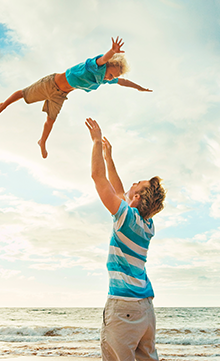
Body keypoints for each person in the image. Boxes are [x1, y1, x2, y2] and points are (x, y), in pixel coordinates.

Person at [85, 117, 166, 361]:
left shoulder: (125, 218)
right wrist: (110, 158)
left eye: (137, 184)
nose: (132, 184)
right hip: (145, 310)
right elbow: (119, 191)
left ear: (139, 198)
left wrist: (97, 143)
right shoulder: (147, 225)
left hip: (124, 309)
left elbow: (98, 179)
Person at [0, 37, 152, 159]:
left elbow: (122, 82)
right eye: (111, 74)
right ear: (108, 65)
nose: (110, 78)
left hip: (61, 95)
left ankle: (42, 141)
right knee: (23, 94)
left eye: (112, 77)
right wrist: (112, 51)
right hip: (50, 84)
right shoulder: (96, 65)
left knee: (51, 120)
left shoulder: (102, 79)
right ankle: (3, 105)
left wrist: (140, 88)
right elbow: (103, 58)